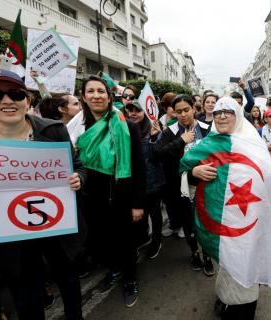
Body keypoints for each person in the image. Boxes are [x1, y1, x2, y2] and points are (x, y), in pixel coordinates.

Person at [0, 68, 85, 320]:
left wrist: (78, 179)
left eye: (15, 94)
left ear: (27, 100)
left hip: (57, 227)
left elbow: (77, 167)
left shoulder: (54, 130)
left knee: (68, 281)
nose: (7, 101)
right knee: (26, 296)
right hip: (11, 237)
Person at [180, 97, 271, 319]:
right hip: (219, 219)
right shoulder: (206, 145)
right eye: (218, 113)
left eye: (227, 112)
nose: (221, 116)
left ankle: (241, 310)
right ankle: (228, 302)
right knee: (228, 262)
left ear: (238, 115)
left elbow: (267, 178)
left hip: (248, 218)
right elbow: (181, 171)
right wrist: (193, 173)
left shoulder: (252, 144)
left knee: (245, 259)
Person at [76, 75, 146, 308]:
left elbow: (138, 167)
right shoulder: (77, 129)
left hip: (122, 197)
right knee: (103, 241)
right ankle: (114, 270)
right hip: (91, 198)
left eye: (101, 91)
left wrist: (137, 203)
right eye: (91, 91)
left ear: (109, 96)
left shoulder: (129, 127)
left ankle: (130, 280)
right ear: (84, 97)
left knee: (126, 242)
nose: (96, 95)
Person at [155, 94, 214, 276]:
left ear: (194, 109)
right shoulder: (169, 132)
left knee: (206, 223)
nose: (183, 115)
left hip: (207, 187)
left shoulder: (207, 129)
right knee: (188, 223)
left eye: (186, 110)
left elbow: (218, 155)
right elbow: (158, 155)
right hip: (180, 187)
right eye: (178, 112)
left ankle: (207, 255)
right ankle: (194, 252)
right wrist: (181, 141)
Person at [126, 100, 165, 259]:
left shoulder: (154, 131)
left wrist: (155, 138)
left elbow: (160, 155)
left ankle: (156, 241)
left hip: (153, 182)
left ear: (145, 113)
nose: (133, 114)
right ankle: (143, 238)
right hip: (133, 183)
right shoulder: (125, 130)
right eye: (130, 110)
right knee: (138, 215)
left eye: (137, 110)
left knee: (154, 214)